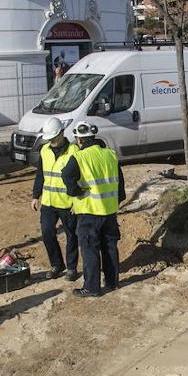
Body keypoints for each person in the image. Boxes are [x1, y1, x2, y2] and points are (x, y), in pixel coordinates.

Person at [62, 121, 126, 298]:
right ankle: (113, 282)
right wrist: (117, 200)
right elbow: (120, 182)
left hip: (89, 211)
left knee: (90, 249)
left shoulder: (80, 157)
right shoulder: (110, 155)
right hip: (109, 211)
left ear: (79, 140)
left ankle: (92, 287)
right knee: (110, 247)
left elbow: (66, 175)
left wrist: (75, 192)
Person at [31, 116, 79, 281]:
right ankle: (57, 265)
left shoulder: (74, 151)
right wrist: (35, 196)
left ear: (61, 133)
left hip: (67, 203)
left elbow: (80, 178)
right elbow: (40, 175)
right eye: (49, 139)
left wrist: (77, 201)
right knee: (47, 232)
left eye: (53, 138)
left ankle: (72, 268)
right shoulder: (44, 150)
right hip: (49, 203)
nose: (51, 141)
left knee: (71, 235)